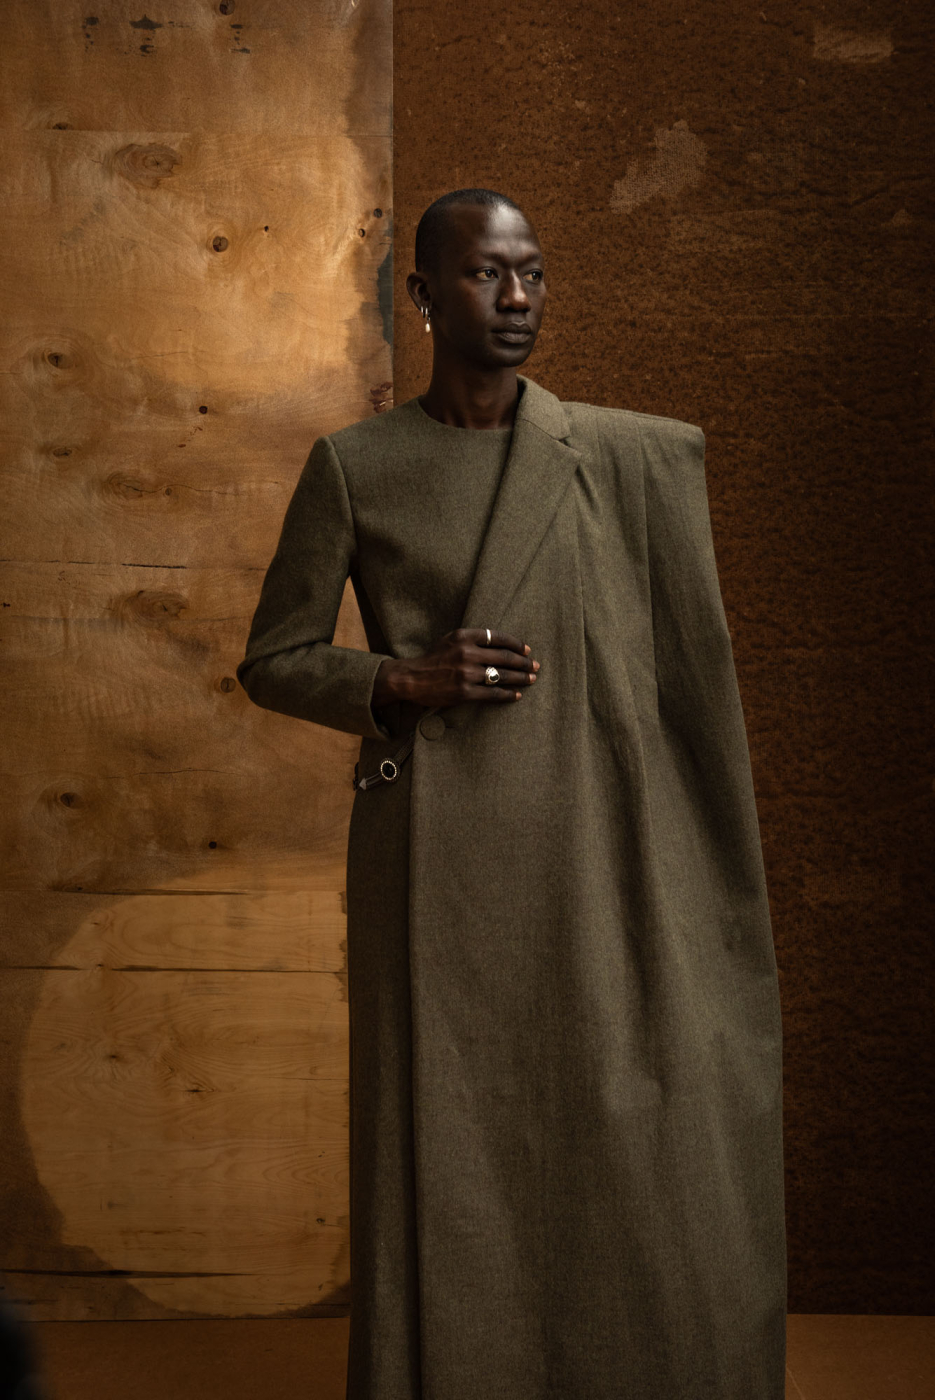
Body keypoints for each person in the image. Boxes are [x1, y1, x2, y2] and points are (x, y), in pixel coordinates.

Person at [238, 189, 786, 1400]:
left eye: (531, 272)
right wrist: (399, 677)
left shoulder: (618, 459)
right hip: (433, 859)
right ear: (423, 297)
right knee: (446, 1128)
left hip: (594, 839)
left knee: (620, 1112)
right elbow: (272, 657)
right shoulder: (355, 466)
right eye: (486, 275)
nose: (518, 297)